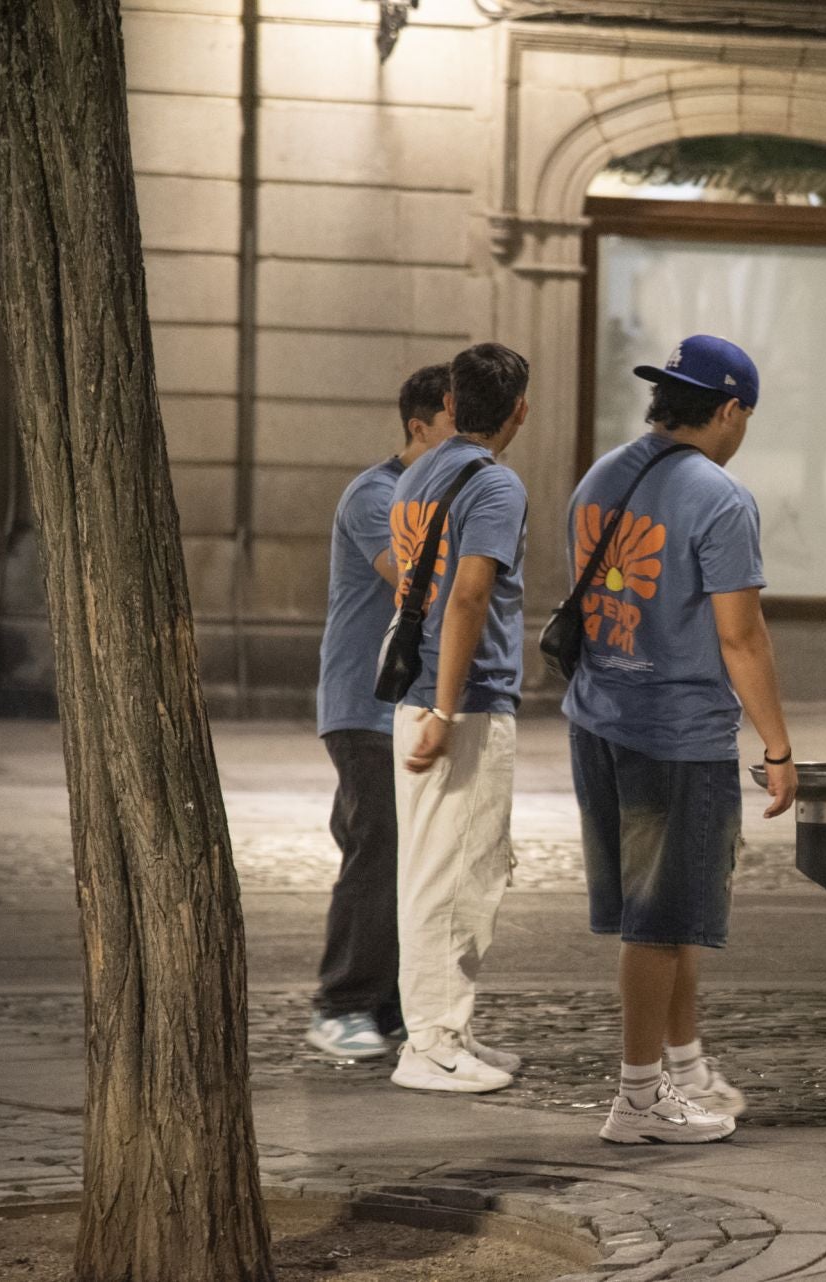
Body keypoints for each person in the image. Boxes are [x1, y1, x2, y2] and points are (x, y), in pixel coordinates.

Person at [565, 334, 798, 1145]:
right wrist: (778, 746)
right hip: (676, 733)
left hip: (599, 718)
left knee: (674, 911)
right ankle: (636, 1100)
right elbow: (742, 637)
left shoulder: (603, 474)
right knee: (660, 922)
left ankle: (682, 1066)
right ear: (730, 410)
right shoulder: (720, 496)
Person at [386, 342, 532, 1094]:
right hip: (462, 702)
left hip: (420, 696)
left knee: (440, 869)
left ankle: (449, 1027)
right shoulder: (495, 486)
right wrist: (447, 706)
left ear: (450, 400)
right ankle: (433, 1043)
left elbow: (414, 583)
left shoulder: (419, 472)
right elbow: (467, 596)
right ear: (518, 411)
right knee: (458, 876)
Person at [306, 363, 457, 1059]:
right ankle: (342, 1002)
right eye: (452, 433)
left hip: (409, 705)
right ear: (417, 428)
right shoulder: (378, 495)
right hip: (364, 704)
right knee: (378, 847)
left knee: (410, 855)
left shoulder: (449, 496)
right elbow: (416, 587)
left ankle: (391, 1005)